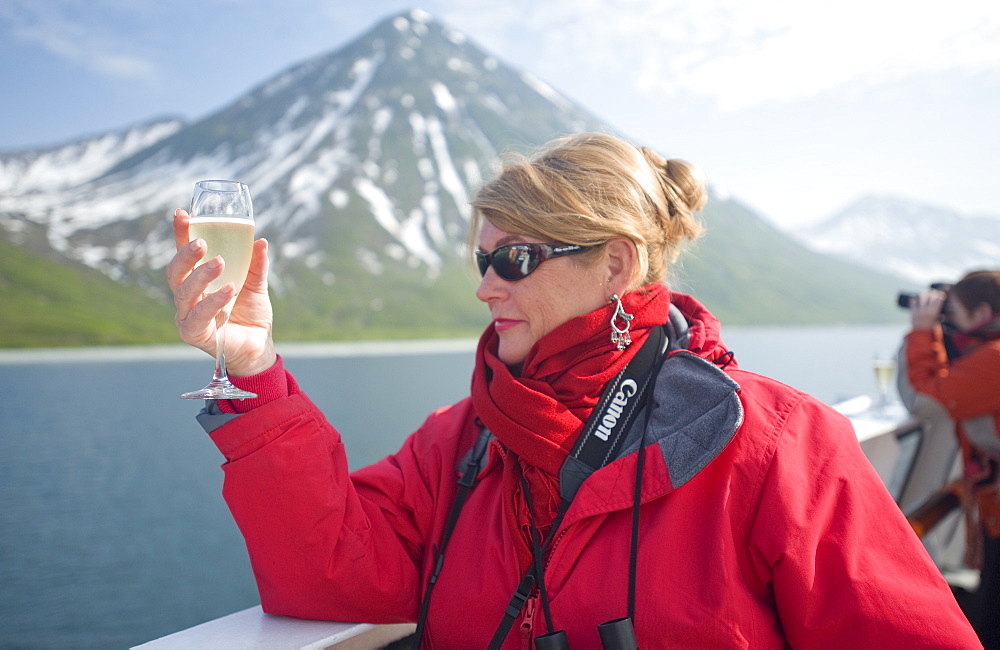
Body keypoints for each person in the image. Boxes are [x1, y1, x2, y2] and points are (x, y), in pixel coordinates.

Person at [167, 132, 981, 648]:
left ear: (616, 266)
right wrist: (253, 370)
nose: (486, 288)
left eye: (513, 260)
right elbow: (329, 575)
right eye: (480, 261)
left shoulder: (779, 446)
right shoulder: (459, 442)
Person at [904, 271, 1000, 649]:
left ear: (980, 313)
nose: (946, 318)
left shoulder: (993, 359)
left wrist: (922, 331)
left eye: (952, 310)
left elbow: (927, 401)